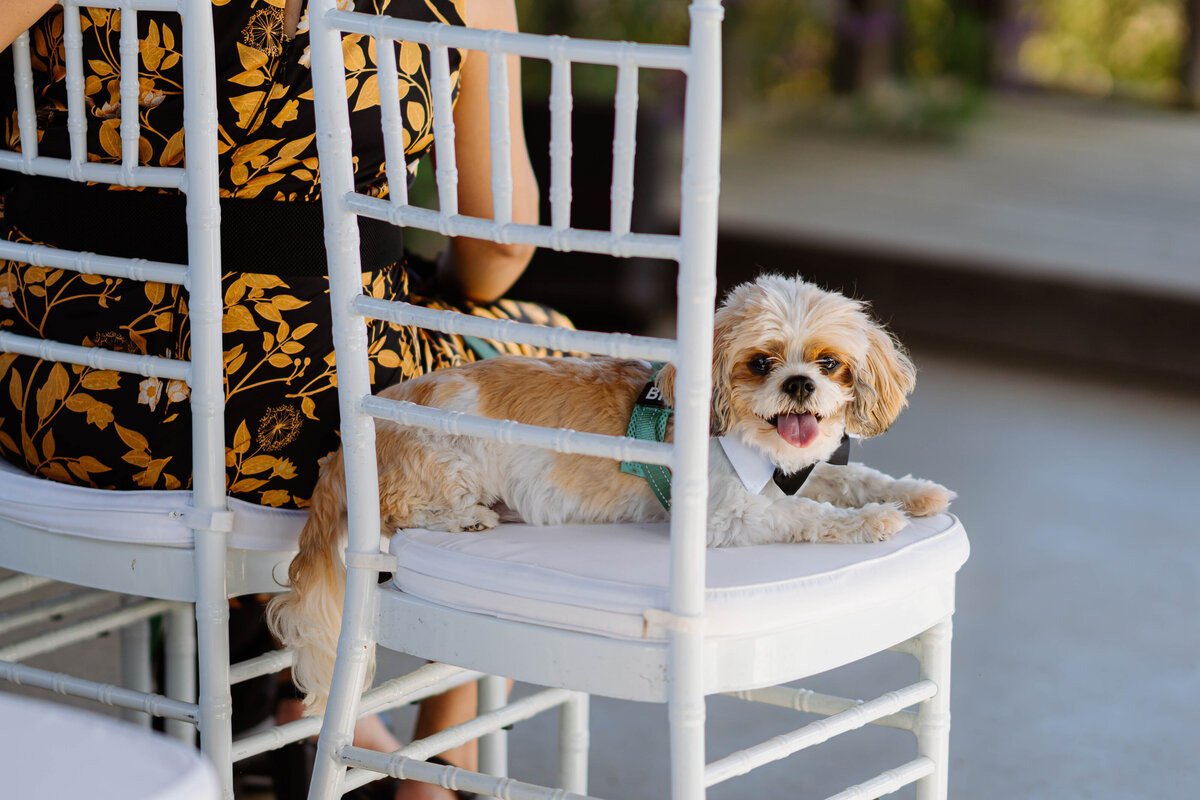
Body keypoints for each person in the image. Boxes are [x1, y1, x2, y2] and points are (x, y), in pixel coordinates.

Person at [1, 2, 552, 798]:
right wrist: (439, 295)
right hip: (317, 418)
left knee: (281, 389)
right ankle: (438, 753)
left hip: (65, 391)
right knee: (518, 371)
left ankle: (299, 700)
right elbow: (499, 244)